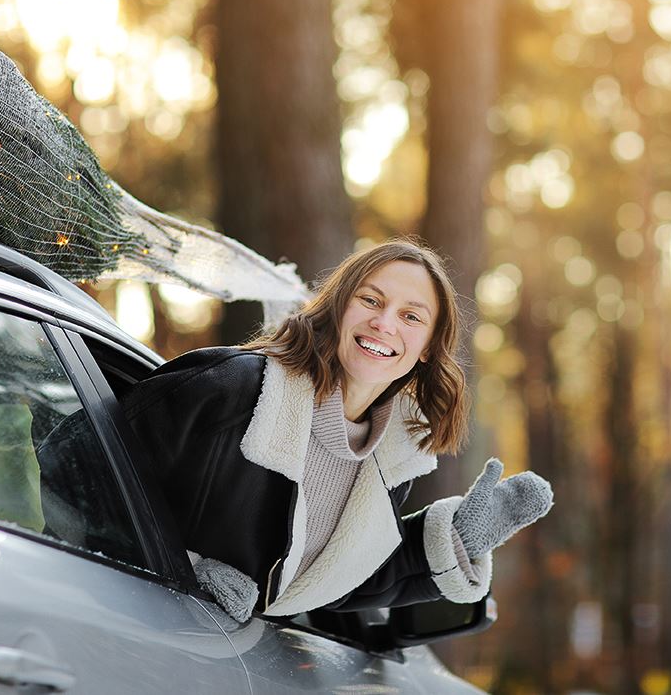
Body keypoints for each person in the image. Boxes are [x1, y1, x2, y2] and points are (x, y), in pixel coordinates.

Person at [118, 238, 553, 621]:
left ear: (427, 348)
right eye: (371, 301)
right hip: (119, 623)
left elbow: (331, 581)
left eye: (411, 317)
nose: (385, 324)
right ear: (338, 306)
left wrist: (453, 538)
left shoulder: (388, 464)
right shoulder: (231, 388)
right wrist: (185, 569)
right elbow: (84, 476)